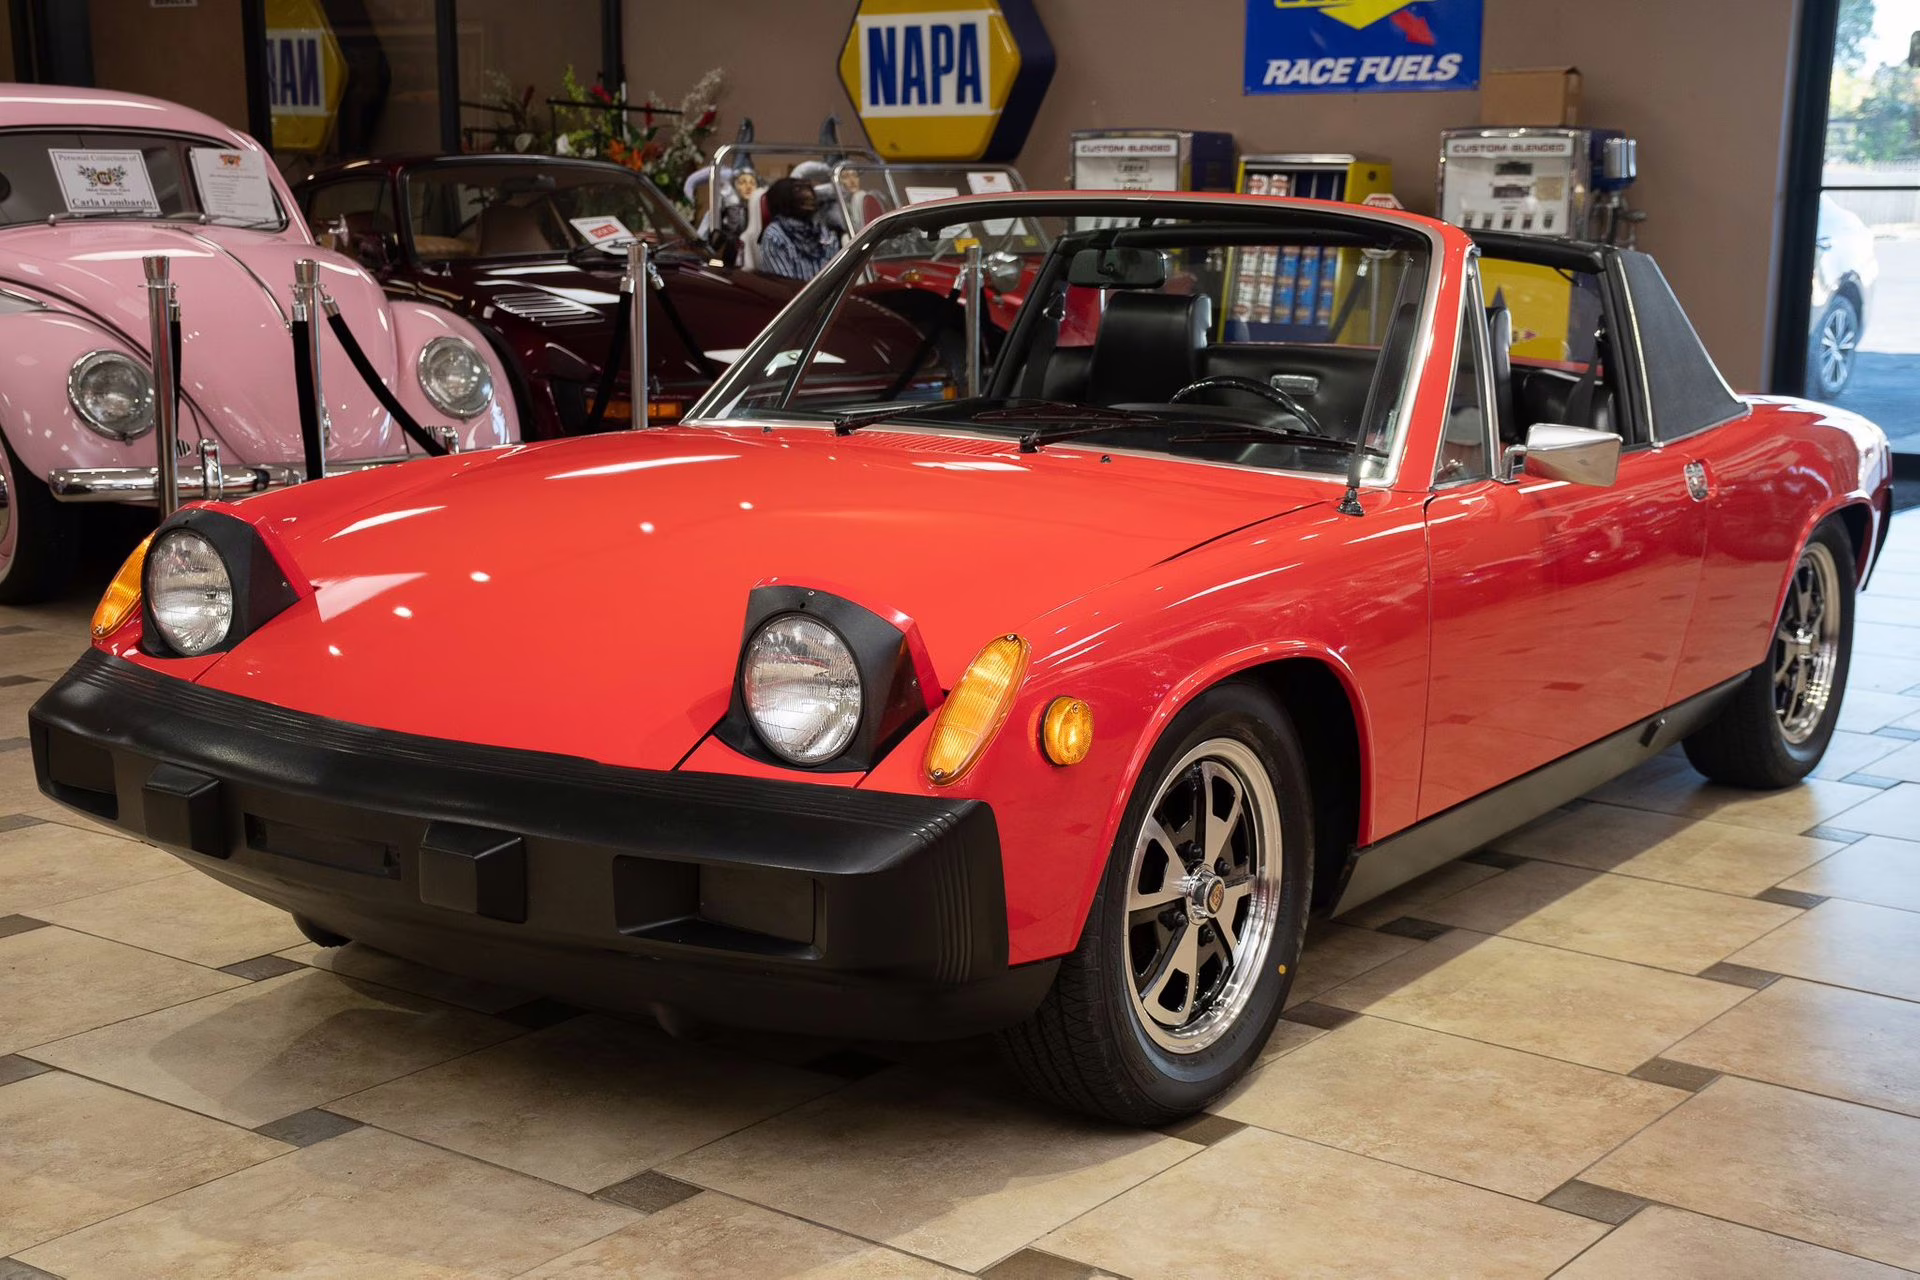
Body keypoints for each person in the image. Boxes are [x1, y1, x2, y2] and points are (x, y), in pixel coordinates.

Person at [758, 177, 839, 281]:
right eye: (798, 191)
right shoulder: (774, 236)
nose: (809, 195)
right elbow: (785, 287)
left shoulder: (824, 233)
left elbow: (836, 277)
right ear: (783, 199)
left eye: (808, 190)